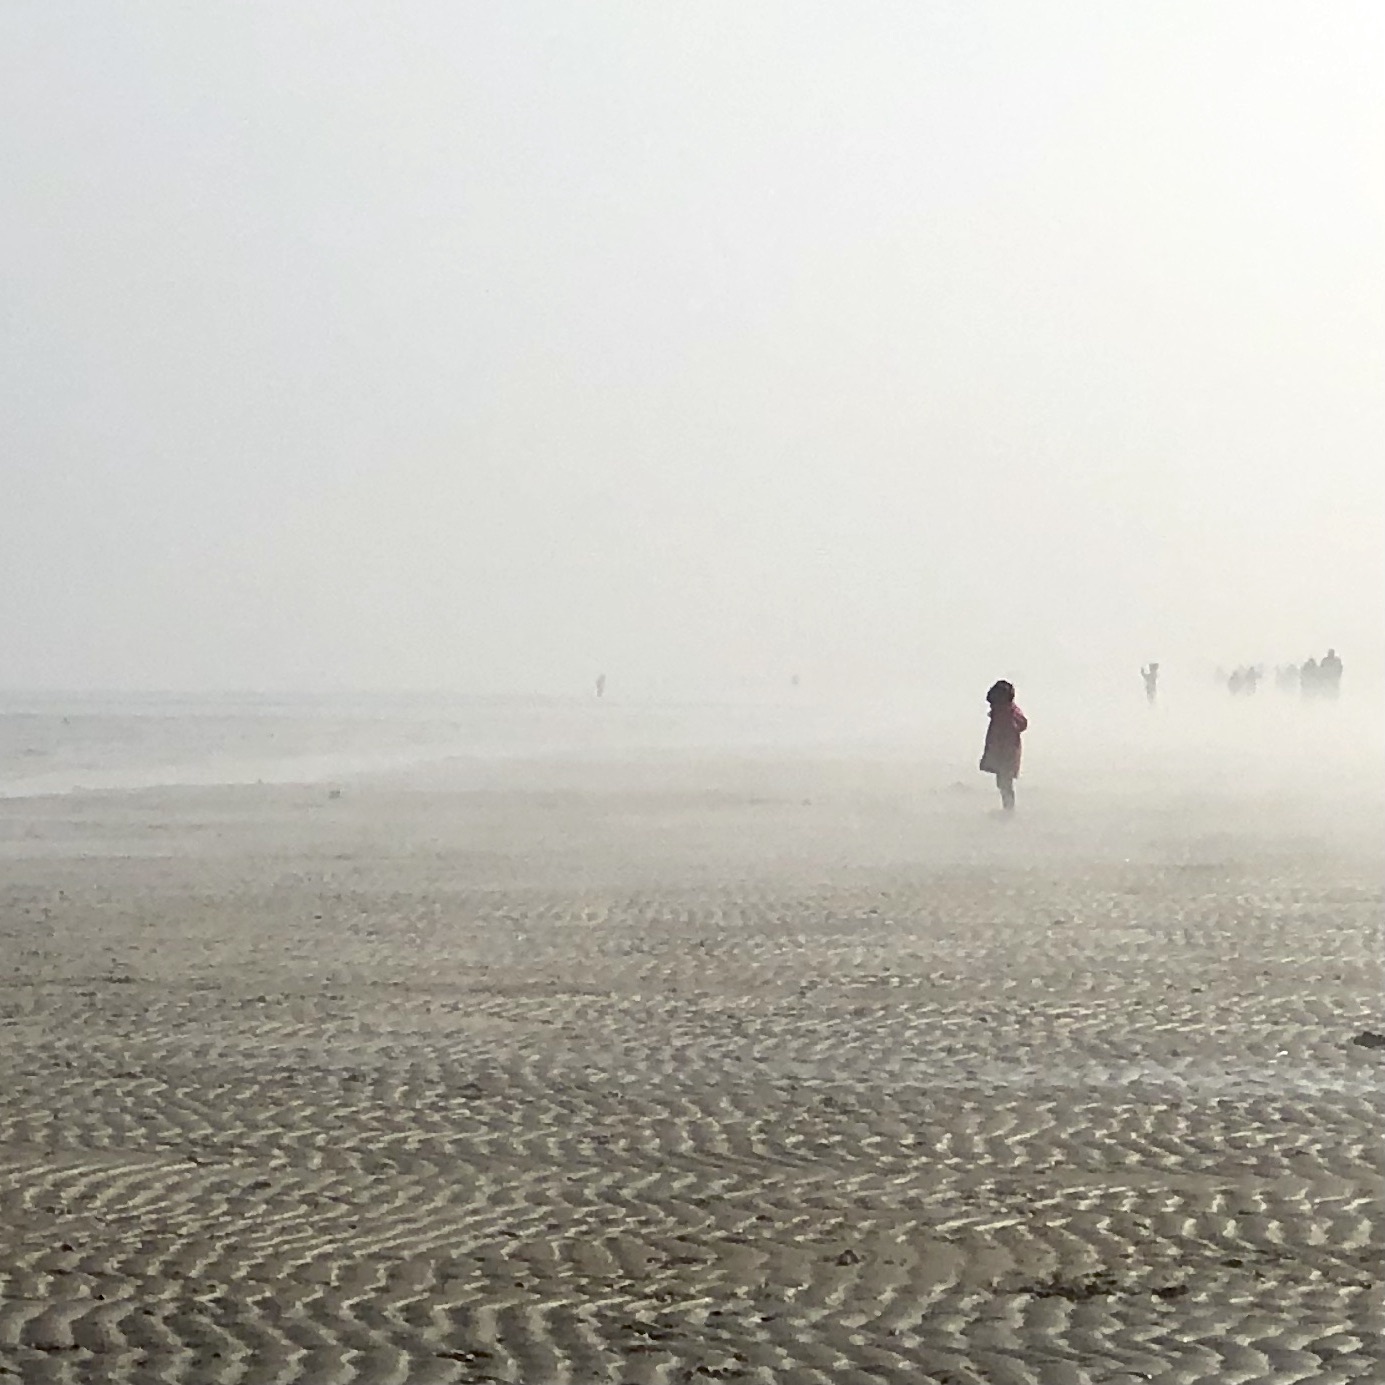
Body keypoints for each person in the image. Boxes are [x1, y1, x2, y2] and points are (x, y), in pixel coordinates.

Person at [979, 680, 1028, 812]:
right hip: (1004, 753)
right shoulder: (1007, 713)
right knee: (1003, 783)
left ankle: (1009, 810)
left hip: (1005, 754)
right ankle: (1008, 809)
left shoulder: (1005, 715)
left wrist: (998, 755)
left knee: (1005, 783)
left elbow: (1003, 737)